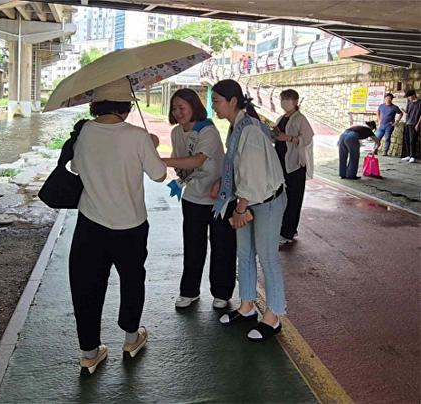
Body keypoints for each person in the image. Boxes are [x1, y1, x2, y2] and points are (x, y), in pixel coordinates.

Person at [69, 77, 167, 374]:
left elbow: (75, 168)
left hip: (91, 224)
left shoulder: (84, 132)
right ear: (126, 106)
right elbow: (160, 175)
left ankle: (89, 353)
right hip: (131, 225)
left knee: (86, 287)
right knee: (132, 280)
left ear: (97, 105)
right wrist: (152, 144)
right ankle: (131, 338)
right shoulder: (137, 136)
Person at [209, 79, 287, 342]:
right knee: (244, 253)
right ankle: (247, 306)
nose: (213, 106)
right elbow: (238, 167)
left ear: (232, 101)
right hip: (249, 198)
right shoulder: (237, 127)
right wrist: (224, 181)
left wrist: (240, 209)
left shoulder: (250, 130)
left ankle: (274, 316)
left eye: (217, 101)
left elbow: (253, 176)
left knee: (267, 258)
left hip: (265, 200)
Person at [160, 89, 236, 310]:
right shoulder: (176, 133)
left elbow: (196, 159)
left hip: (219, 197)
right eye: (174, 108)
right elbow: (179, 161)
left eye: (182, 107)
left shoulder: (207, 130)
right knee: (193, 246)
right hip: (193, 197)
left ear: (194, 107)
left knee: (222, 246)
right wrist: (175, 170)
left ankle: (222, 292)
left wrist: (157, 159)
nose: (178, 112)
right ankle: (189, 291)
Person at [273, 89, 314, 245]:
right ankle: (285, 227)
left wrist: (289, 138)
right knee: (282, 198)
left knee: (293, 199)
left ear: (296, 101)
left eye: (288, 98)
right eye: (282, 98)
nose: (284, 101)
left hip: (295, 165)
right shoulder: (281, 118)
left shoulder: (300, 119)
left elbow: (307, 138)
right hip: (281, 163)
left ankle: (287, 232)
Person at [401, 90, 421, 163]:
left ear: (413, 95)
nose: (408, 99)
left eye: (409, 97)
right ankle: (408, 155)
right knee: (407, 140)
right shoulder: (409, 103)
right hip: (408, 123)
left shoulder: (419, 103)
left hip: (414, 123)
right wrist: (405, 112)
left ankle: (413, 156)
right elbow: (408, 112)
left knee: (413, 140)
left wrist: (418, 124)